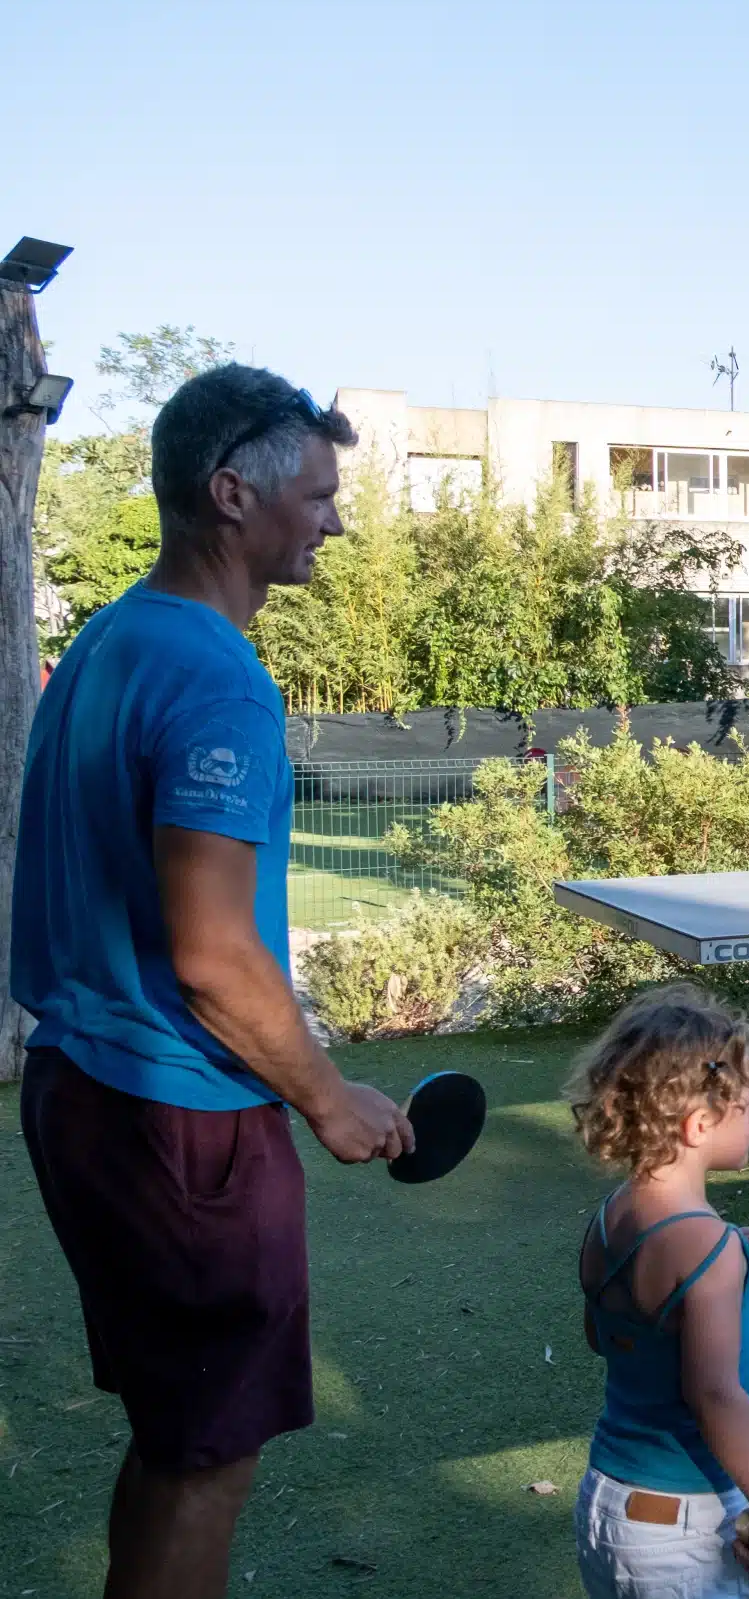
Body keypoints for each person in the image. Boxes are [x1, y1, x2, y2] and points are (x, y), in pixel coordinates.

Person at [12, 366, 415, 1598]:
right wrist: (330, 1098)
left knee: (176, 1435)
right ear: (231, 494)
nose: (334, 521)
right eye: (319, 494)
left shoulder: (107, 644)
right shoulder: (215, 677)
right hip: (177, 1121)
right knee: (207, 1460)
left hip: (80, 1086)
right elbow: (212, 955)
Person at [566, 986, 749, 1597]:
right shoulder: (707, 1250)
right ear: (699, 1125)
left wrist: (720, 1262)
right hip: (682, 1531)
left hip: (607, 1505)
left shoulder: (612, 1217)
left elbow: (605, 1333)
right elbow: (716, 1395)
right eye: (748, 1104)